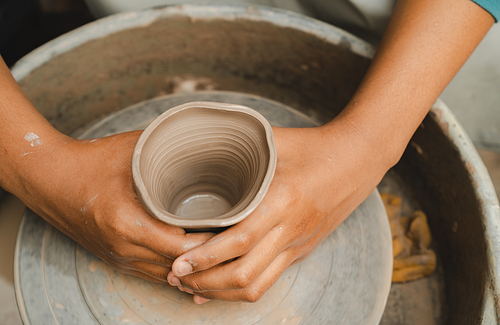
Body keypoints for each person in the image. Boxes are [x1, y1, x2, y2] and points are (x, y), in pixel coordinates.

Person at [0, 0, 497, 305]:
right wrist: (41, 168)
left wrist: (370, 144)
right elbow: (37, 163)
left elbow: (373, 140)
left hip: (416, 30)